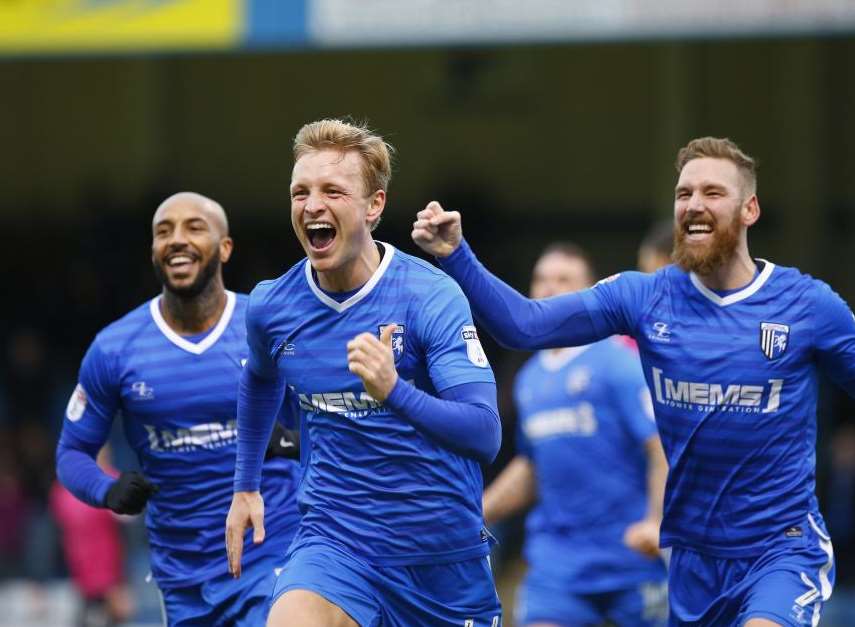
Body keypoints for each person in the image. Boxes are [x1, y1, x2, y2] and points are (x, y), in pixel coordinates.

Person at [412, 136, 854, 626]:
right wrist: (456, 254)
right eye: (684, 193)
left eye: (712, 193)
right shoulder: (645, 297)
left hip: (780, 551)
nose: (694, 205)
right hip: (691, 562)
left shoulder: (807, 305)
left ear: (750, 208)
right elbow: (526, 326)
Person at [226, 119, 503, 627]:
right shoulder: (272, 305)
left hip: (440, 563)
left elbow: (485, 433)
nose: (312, 205)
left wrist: (394, 390)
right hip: (336, 544)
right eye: (300, 192)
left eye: (333, 190)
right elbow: (260, 377)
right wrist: (246, 485)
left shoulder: (430, 297)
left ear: (374, 206)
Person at [56, 192, 302, 626]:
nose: (176, 239)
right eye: (163, 231)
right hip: (182, 573)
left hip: (275, 551)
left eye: (194, 227)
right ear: (153, 251)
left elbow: (336, 418)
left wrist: (296, 441)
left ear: (225, 247)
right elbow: (71, 454)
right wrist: (107, 490)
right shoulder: (115, 349)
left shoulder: (268, 327)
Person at [482, 242, 668, 627]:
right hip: (558, 563)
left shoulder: (616, 360)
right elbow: (533, 465)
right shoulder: (529, 377)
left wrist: (656, 521)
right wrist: (476, 513)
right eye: (541, 280)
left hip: (630, 556)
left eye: (563, 280)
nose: (549, 290)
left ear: (588, 294)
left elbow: (660, 446)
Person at [50, 445, 133, 627]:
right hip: (80, 575)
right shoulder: (64, 488)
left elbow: (129, 521)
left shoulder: (112, 482)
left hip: (111, 575)